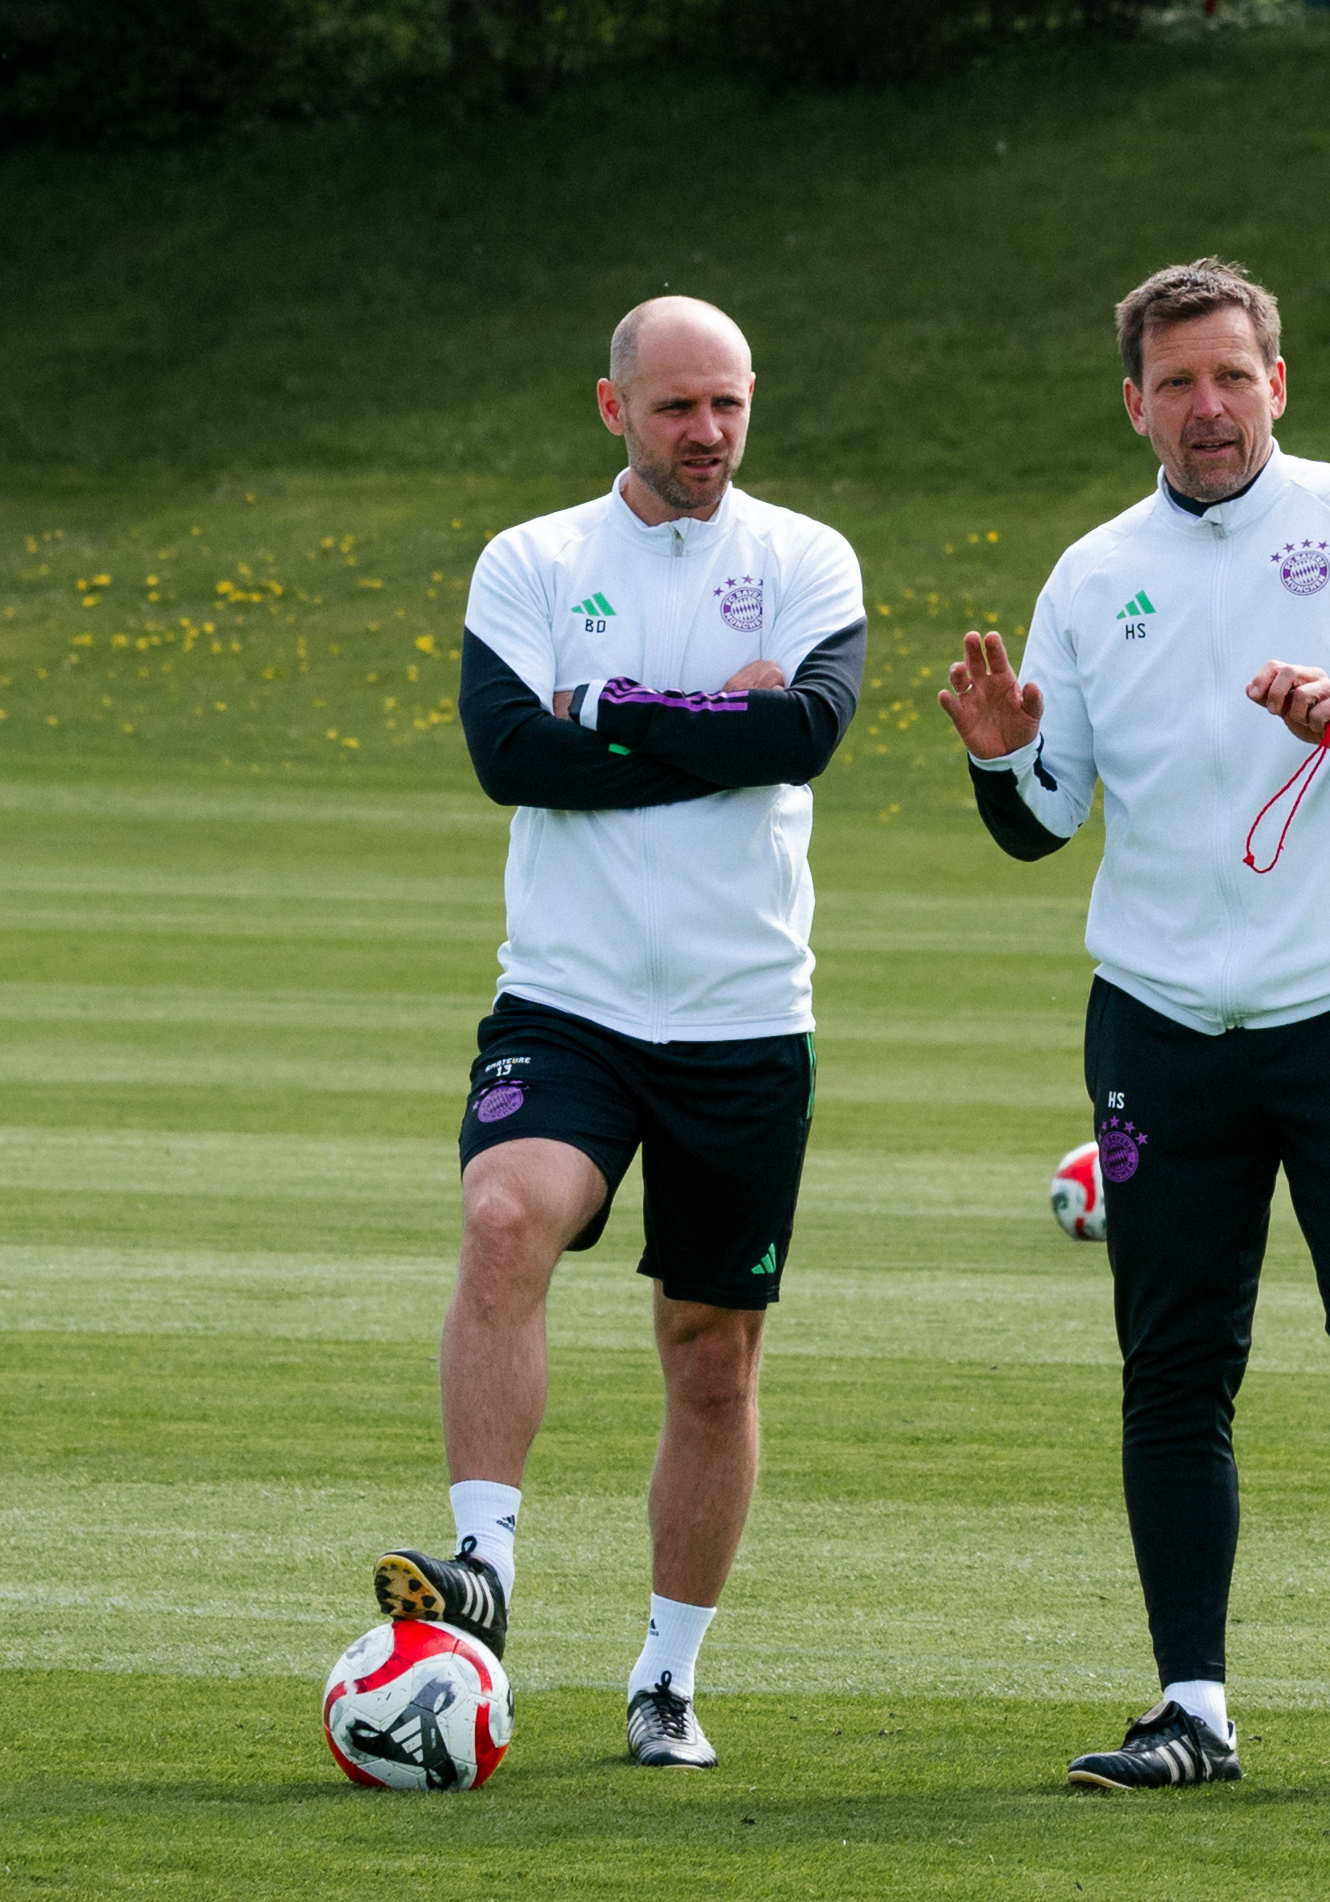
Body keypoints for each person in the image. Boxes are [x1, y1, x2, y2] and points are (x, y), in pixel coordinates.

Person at [939, 258, 1330, 1791]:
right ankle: (1190, 1702)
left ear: (1278, 381)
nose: (1207, 406)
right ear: (1133, 403)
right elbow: (1040, 821)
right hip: (1161, 1024)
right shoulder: (1088, 574)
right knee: (1172, 1365)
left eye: (1230, 374)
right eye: (1175, 382)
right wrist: (1000, 761)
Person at [377, 295, 864, 1772]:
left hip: (742, 1016)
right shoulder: (532, 559)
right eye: (674, 408)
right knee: (502, 1210)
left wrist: (606, 713)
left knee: (711, 1357)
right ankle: (485, 1574)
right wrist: (693, 720)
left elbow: (803, 733)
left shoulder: (804, 557)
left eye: (727, 405)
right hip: (570, 998)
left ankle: (665, 1672)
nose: (705, 434)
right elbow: (508, 755)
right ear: (613, 410)